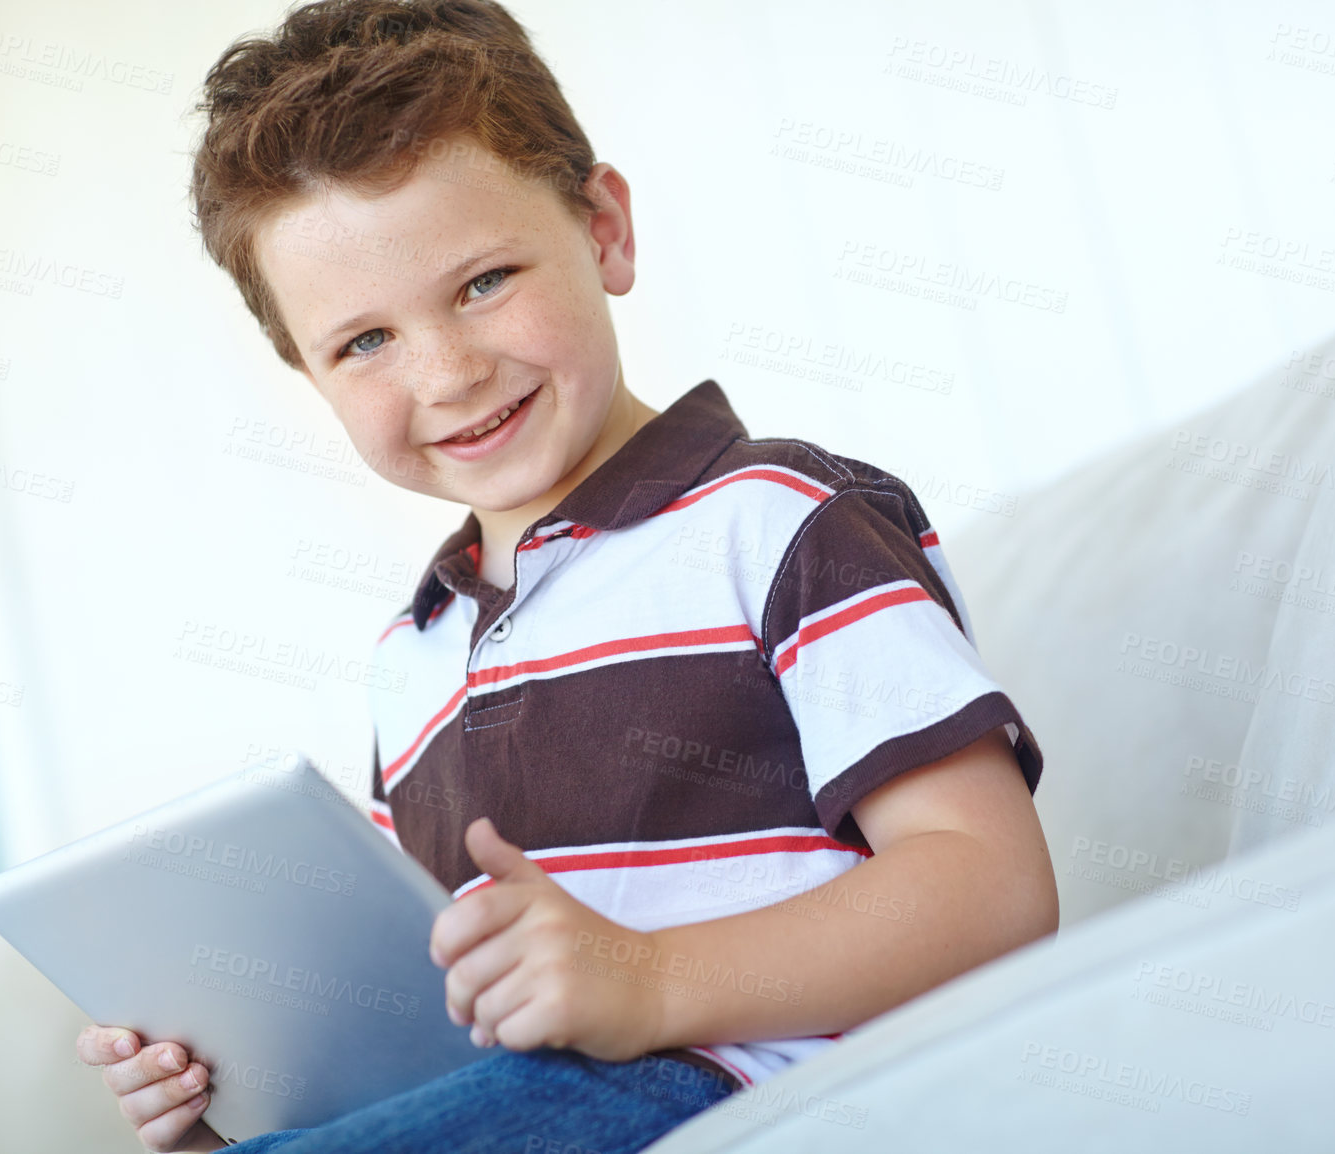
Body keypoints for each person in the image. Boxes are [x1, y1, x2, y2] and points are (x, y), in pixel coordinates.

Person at [74, 2, 1057, 1150]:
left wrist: (645, 979)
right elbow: (456, 1031)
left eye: (483, 280)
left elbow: (992, 888)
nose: (446, 370)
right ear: (310, 374)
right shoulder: (416, 656)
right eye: (365, 342)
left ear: (603, 231)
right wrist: (239, 1113)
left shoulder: (779, 522)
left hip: (757, 1095)